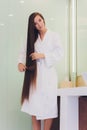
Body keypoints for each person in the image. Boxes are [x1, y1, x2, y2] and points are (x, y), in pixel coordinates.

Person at [18, 12, 63, 130]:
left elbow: (59, 54)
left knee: (50, 106)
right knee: (34, 105)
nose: (38, 24)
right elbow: (23, 52)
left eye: (39, 20)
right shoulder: (32, 39)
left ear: (43, 20)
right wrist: (20, 63)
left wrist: (42, 55)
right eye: (35, 23)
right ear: (32, 26)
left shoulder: (54, 36)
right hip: (35, 76)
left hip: (49, 75)